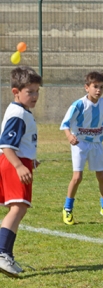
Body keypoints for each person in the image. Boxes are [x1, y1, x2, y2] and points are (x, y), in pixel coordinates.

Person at [60, 71, 103, 225]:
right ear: (87, 87)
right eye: (95, 87)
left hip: (96, 144)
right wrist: (69, 136)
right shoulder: (79, 105)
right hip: (80, 143)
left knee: (101, 176)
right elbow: (65, 124)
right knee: (77, 177)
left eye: (101, 87)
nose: (98, 90)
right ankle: (67, 209)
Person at [0, 66, 42, 277]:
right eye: (30, 92)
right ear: (16, 91)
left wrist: (29, 162)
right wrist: (19, 165)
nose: (35, 96)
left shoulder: (22, 111)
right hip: (13, 162)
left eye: (37, 91)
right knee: (17, 208)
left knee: (17, 208)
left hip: (19, 161)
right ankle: (2, 253)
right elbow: (7, 145)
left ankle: (5, 253)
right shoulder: (17, 113)